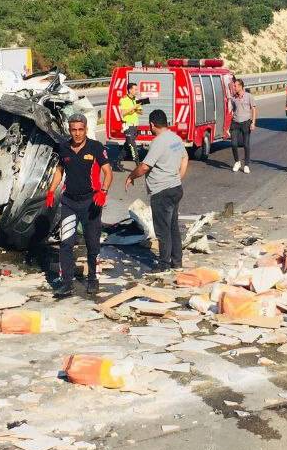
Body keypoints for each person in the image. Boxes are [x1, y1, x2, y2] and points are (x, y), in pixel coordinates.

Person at [47, 113, 112, 296]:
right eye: (73, 130)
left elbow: (108, 172)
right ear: (69, 130)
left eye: (80, 129)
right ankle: (67, 283)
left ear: (86, 129)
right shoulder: (63, 148)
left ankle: (92, 279)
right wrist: (51, 191)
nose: (77, 133)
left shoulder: (96, 147)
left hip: (91, 203)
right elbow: (59, 171)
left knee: (92, 244)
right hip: (69, 202)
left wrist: (103, 191)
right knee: (66, 243)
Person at [127, 110, 188, 271]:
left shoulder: (158, 142)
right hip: (175, 188)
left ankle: (163, 265)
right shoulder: (175, 138)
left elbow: (144, 167)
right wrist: (178, 178)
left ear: (152, 124)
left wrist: (131, 176)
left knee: (162, 230)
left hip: (162, 191)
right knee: (173, 227)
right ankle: (177, 261)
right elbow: (185, 158)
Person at [227, 78, 257, 173]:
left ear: (240, 86)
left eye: (235, 86)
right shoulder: (233, 98)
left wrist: (253, 122)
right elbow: (230, 111)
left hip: (246, 123)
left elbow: (254, 109)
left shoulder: (249, 96)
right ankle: (237, 162)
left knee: (246, 145)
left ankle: (246, 165)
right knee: (233, 144)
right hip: (235, 123)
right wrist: (227, 126)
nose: (234, 87)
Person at [113, 82, 142, 171]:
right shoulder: (124, 100)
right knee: (132, 145)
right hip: (127, 126)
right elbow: (122, 113)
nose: (137, 91)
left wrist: (138, 108)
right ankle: (138, 165)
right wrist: (134, 107)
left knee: (127, 145)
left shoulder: (136, 99)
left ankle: (116, 163)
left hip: (135, 126)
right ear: (130, 90)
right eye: (135, 89)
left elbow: (141, 112)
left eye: (137, 89)